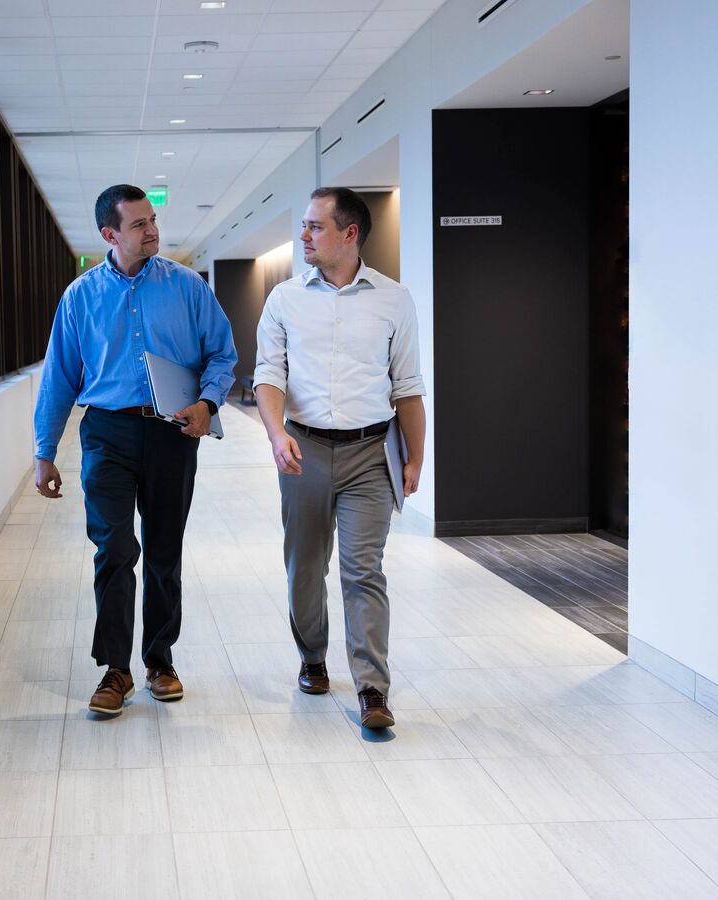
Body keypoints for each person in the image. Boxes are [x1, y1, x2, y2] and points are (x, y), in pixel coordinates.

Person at [33, 184, 237, 717]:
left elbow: (223, 354)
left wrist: (209, 404)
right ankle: (115, 669)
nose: (153, 231)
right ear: (109, 234)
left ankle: (159, 660)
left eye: (153, 220)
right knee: (115, 550)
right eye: (139, 224)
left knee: (165, 551)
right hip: (106, 434)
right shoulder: (80, 297)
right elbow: (59, 378)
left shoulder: (188, 287)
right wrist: (44, 450)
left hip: (172, 433)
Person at [253, 187, 426, 729]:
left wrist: (416, 459)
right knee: (305, 566)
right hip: (303, 450)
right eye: (303, 226)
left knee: (363, 570)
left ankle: (373, 688)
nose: (303, 236)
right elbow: (268, 376)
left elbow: (408, 388)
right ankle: (312, 658)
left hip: (370, 455)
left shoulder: (394, 300)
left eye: (313, 227)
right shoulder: (284, 299)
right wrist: (277, 435)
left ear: (349, 234)